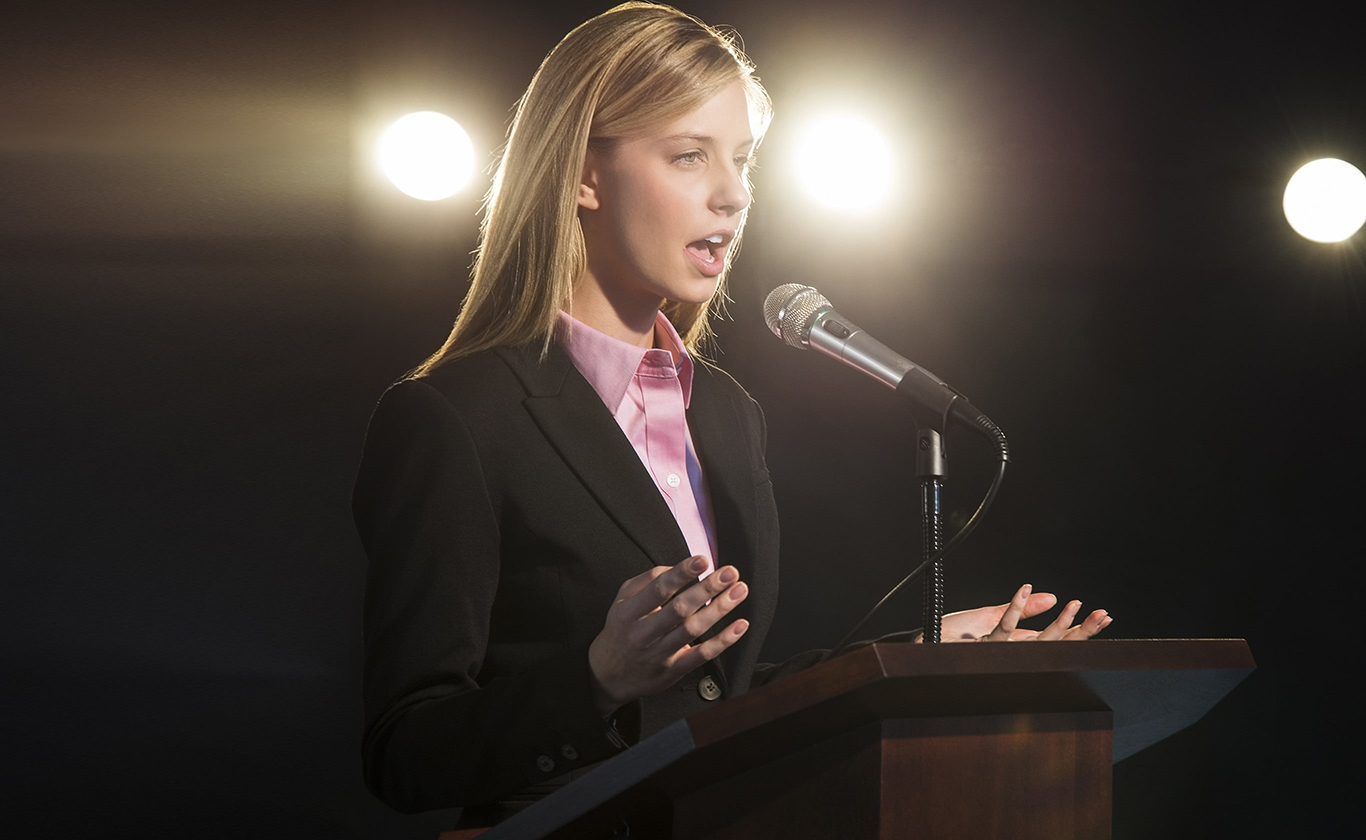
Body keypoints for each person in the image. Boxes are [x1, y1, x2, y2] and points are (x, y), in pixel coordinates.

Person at [351, 1, 1112, 826]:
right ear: (583, 175)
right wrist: (597, 679)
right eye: (689, 156)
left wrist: (925, 655)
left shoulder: (725, 413)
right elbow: (407, 753)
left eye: (743, 161)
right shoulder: (455, 418)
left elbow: (719, 702)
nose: (735, 194)